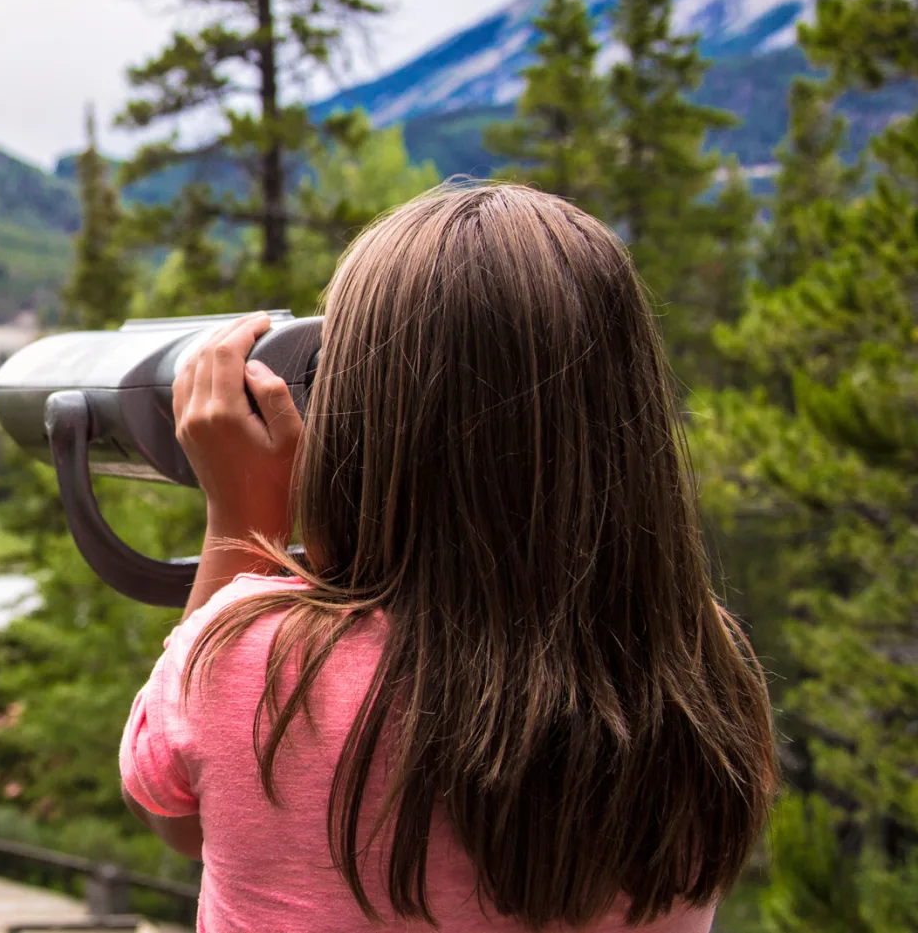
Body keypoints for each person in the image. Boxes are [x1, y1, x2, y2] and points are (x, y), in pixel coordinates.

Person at [120, 183, 776, 931]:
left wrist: (242, 520)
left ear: (360, 424)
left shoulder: (257, 661)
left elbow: (176, 815)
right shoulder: (694, 667)